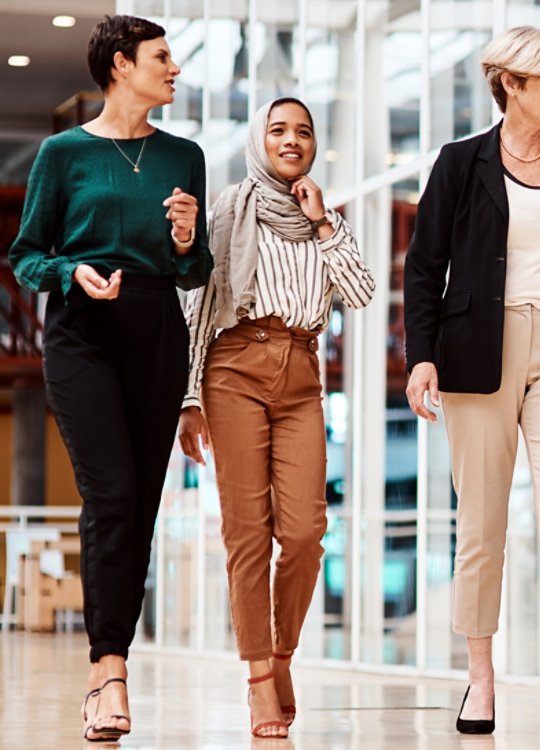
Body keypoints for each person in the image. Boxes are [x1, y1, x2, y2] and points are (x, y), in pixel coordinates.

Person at [404, 26, 540, 739]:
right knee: (483, 523)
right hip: (476, 355)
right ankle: (481, 678)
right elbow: (425, 267)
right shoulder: (461, 163)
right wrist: (421, 355)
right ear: (512, 86)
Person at [8, 14, 211, 743]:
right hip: (82, 329)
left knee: (142, 506)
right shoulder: (62, 155)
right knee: (112, 493)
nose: (175, 69)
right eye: (162, 57)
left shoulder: (185, 155)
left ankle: (111, 658)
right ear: (121, 65)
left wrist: (186, 238)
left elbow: (197, 270)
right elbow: (27, 255)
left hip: (159, 326)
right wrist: (71, 271)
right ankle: (108, 666)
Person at [177, 97, 374, 739]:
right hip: (233, 366)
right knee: (247, 532)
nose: (293, 141)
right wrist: (189, 397)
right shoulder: (230, 210)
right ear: (260, 139)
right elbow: (195, 306)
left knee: (308, 530)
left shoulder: (322, 218)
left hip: (301, 372)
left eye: (304, 132)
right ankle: (261, 676)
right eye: (279, 130)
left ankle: (282, 649)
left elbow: (363, 292)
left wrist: (323, 225)